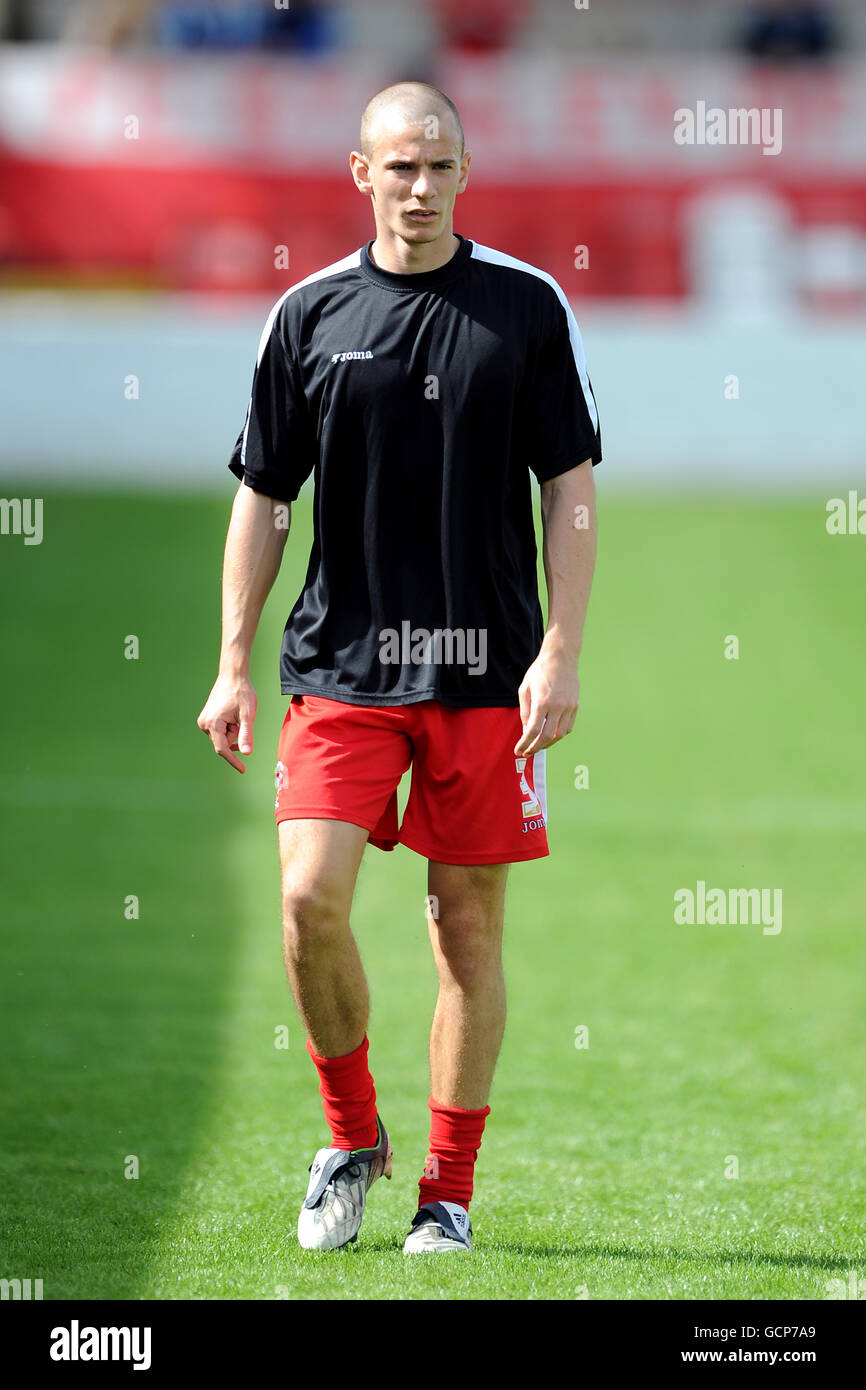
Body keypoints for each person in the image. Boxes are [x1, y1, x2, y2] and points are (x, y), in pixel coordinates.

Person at [197, 80, 601, 1255]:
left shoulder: (524, 307)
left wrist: (559, 649)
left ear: (463, 173)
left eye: (437, 167)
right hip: (340, 666)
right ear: (359, 174)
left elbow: (568, 486)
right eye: (397, 167)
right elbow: (264, 495)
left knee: (462, 931)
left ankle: (447, 1194)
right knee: (304, 900)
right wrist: (231, 662)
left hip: (483, 677)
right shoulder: (307, 314)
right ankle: (348, 1138)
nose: (418, 187)